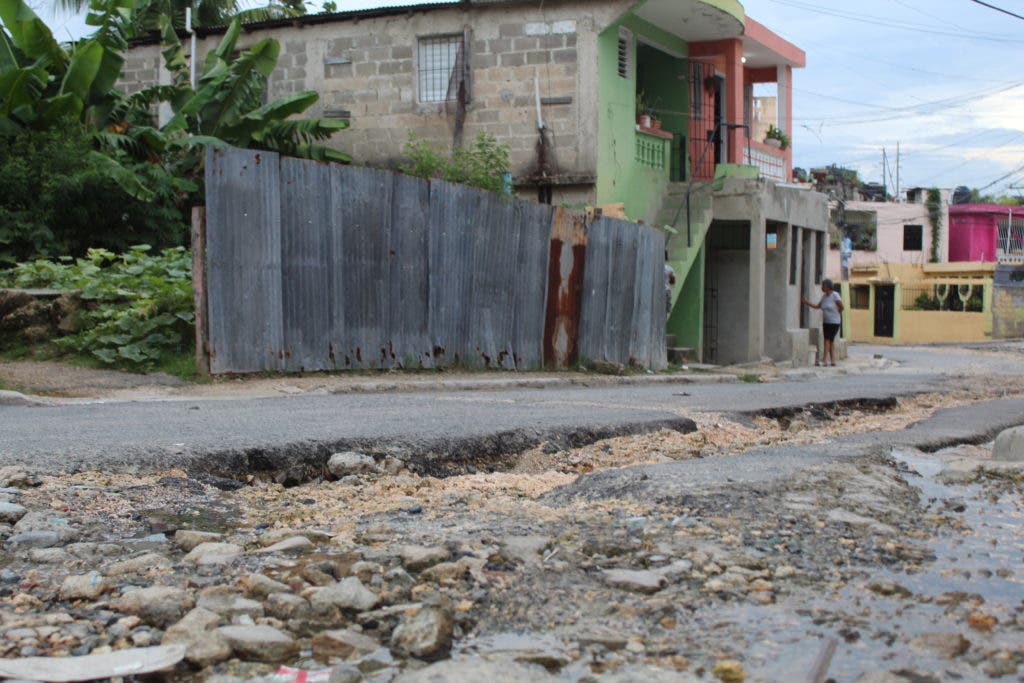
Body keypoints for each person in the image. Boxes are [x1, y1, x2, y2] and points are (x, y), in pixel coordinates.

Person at [802, 279, 844, 367]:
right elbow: (818, 306)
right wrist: (806, 302)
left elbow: (841, 306)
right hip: (826, 322)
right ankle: (833, 361)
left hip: (834, 322)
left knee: (827, 340)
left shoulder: (835, 295)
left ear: (828, 287)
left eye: (823, 286)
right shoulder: (824, 297)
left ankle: (824, 360)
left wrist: (837, 313)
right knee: (830, 341)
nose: (822, 287)